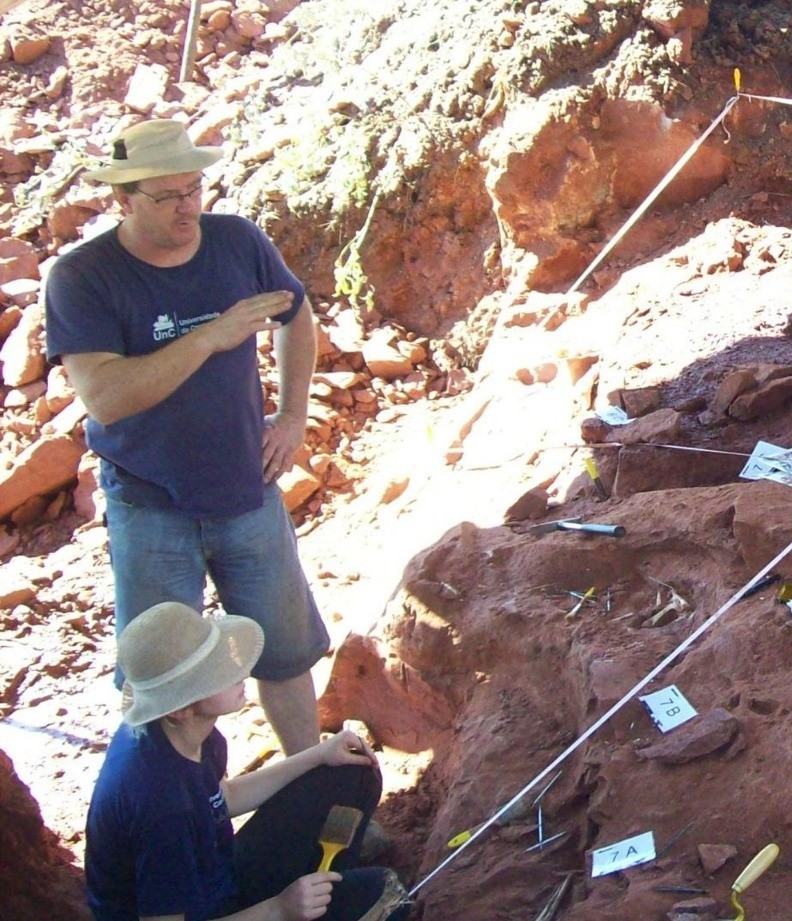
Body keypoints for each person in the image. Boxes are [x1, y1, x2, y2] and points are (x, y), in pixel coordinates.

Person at [45, 118, 328, 754]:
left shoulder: (235, 242)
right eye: (167, 196)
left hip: (246, 485)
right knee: (166, 685)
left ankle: (313, 788)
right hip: (150, 506)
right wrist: (208, 337)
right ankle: (190, 822)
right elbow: (106, 398)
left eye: (194, 189)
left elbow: (295, 315)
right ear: (123, 199)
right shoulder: (82, 277)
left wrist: (291, 415)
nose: (187, 207)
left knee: (284, 656)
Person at [85, 600, 411, 921]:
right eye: (216, 671)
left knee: (352, 774)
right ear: (182, 707)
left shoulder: (182, 732)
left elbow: (222, 798)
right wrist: (279, 909)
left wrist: (318, 754)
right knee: (386, 899)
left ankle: (325, 888)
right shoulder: (163, 809)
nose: (238, 668)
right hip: (201, 909)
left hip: (216, 876)